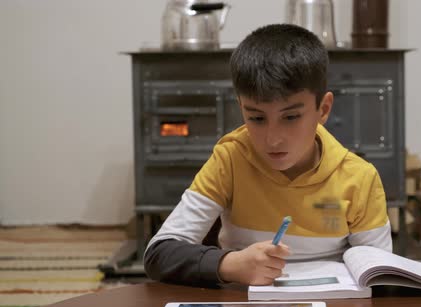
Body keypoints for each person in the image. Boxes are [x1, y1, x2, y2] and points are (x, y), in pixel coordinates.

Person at [144, 24, 392, 287]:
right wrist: (229, 264)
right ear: (241, 108)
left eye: (291, 117)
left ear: (323, 109)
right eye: (257, 118)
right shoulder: (230, 159)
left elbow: (380, 275)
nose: (273, 139)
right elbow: (158, 253)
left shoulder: (358, 177)